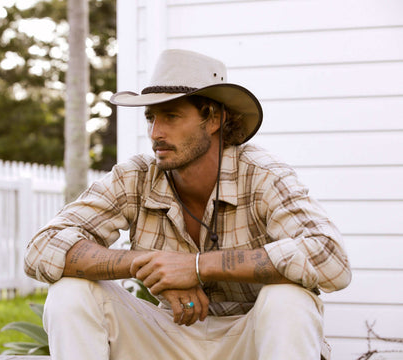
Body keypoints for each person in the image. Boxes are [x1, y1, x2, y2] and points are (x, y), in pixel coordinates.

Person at [24, 49, 352, 360]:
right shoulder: (135, 177)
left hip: (251, 340)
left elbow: (330, 258)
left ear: (213, 119)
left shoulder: (263, 176)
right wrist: (150, 264)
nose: (155, 132)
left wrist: (195, 266)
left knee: (288, 300)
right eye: (151, 117)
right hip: (170, 335)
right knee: (71, 293)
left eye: (171, 116)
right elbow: (42, 248)